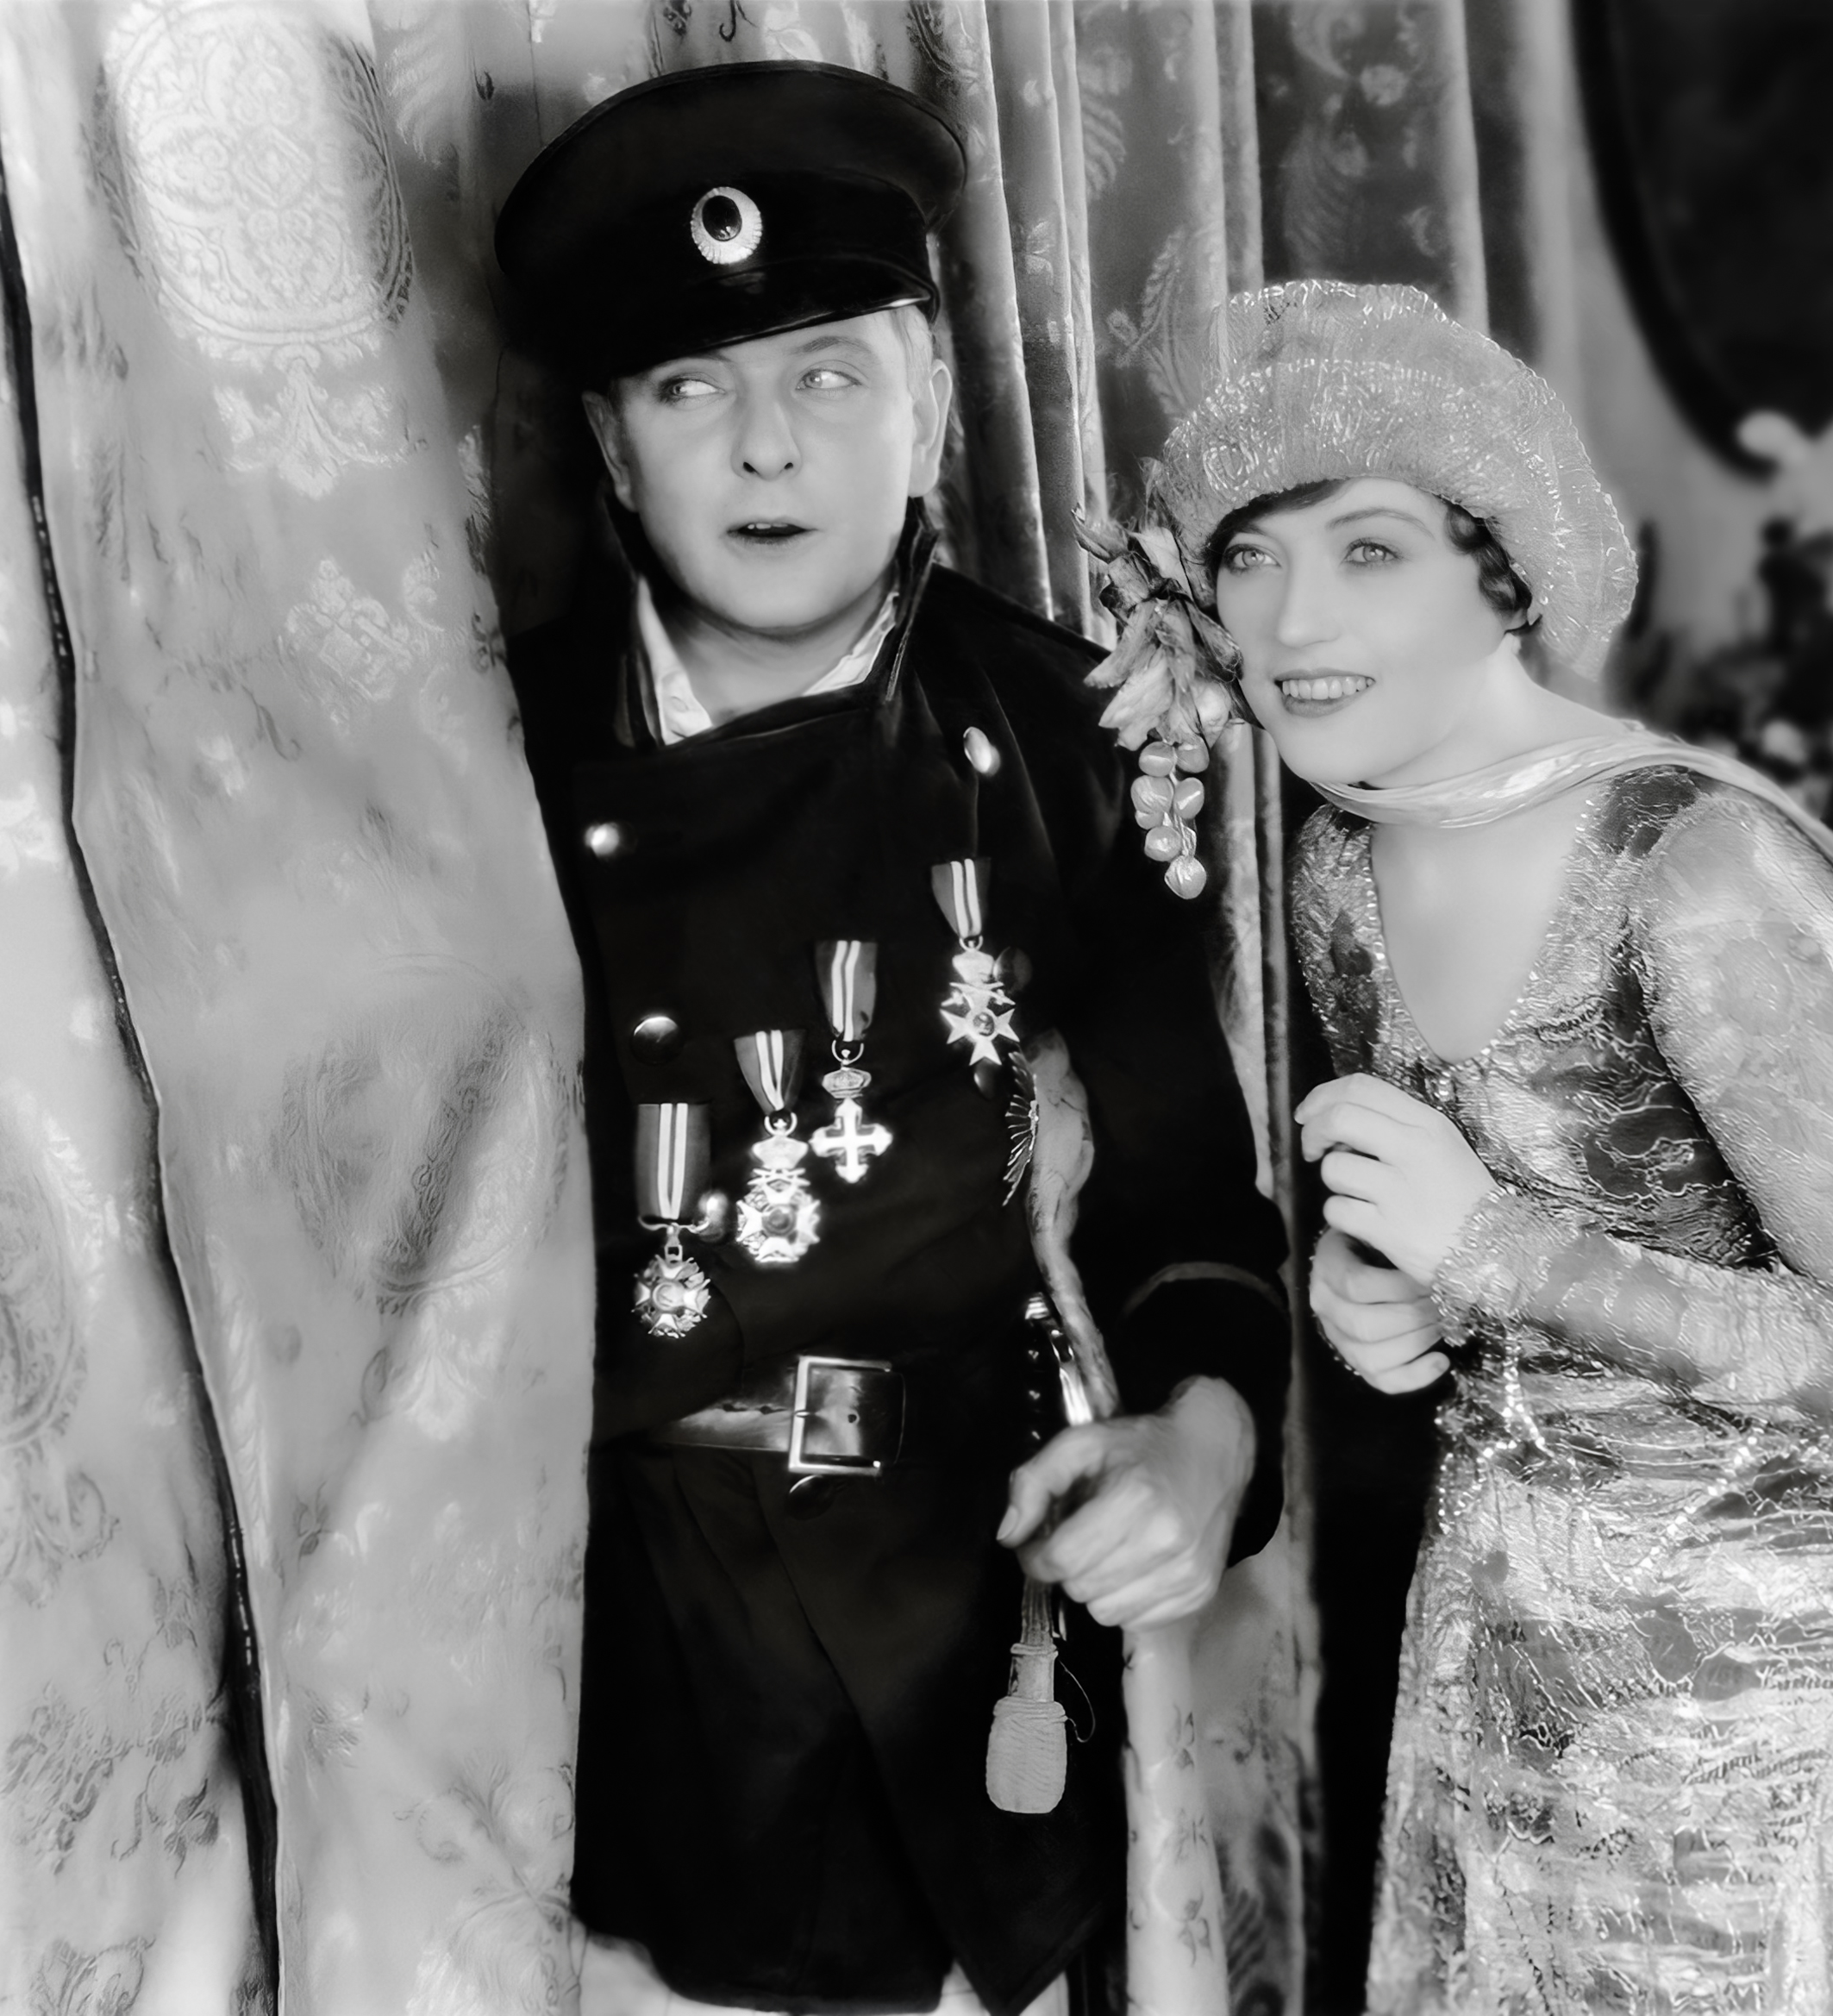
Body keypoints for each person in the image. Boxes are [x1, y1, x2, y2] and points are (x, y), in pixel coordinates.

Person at [1123, 282, 1833, 2015]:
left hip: (1770, 1696)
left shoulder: (1695, 869)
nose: (1292, 617)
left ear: (1505, 579)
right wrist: (1401, 1289)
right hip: (1503, 1647)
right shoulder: (1342, 866)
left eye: (1369, 550)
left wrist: (1493, 1253)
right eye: (1250, 557)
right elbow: (1485, 1235)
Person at [491, 65, 1290, 2016]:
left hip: (962, 1617)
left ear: (927, 403)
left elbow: (1190, 1204)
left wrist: (1205, 1438)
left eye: (830, 374)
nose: (768, 446)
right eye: (692, 388)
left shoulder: (1074, 742)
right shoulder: (487, 756)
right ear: (610, 448)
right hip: (600, 1658)